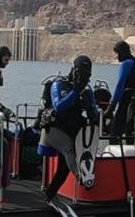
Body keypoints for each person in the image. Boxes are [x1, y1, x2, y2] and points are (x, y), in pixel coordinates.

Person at [39, 55, 99, 202]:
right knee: (69, 149)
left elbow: (93, 115)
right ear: (73, 69)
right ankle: (82, 176)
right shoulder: (59, 84)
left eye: (87, 75)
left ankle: (49, 196)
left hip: (73, 130)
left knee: (63, 169)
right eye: (81, 73)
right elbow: (58, 107)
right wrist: (75, 91)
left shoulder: (87, 91)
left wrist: (90, 104)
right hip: (53, 128)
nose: (83, 77)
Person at [104, 41, 135, 141]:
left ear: (120, 52)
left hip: (126, 101)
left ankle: (113, 153)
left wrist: (111, 107)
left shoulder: (126, 64)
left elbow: (119, 86)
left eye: (116, 53)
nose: (115, 57)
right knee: (129, 131)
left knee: (115, 131)